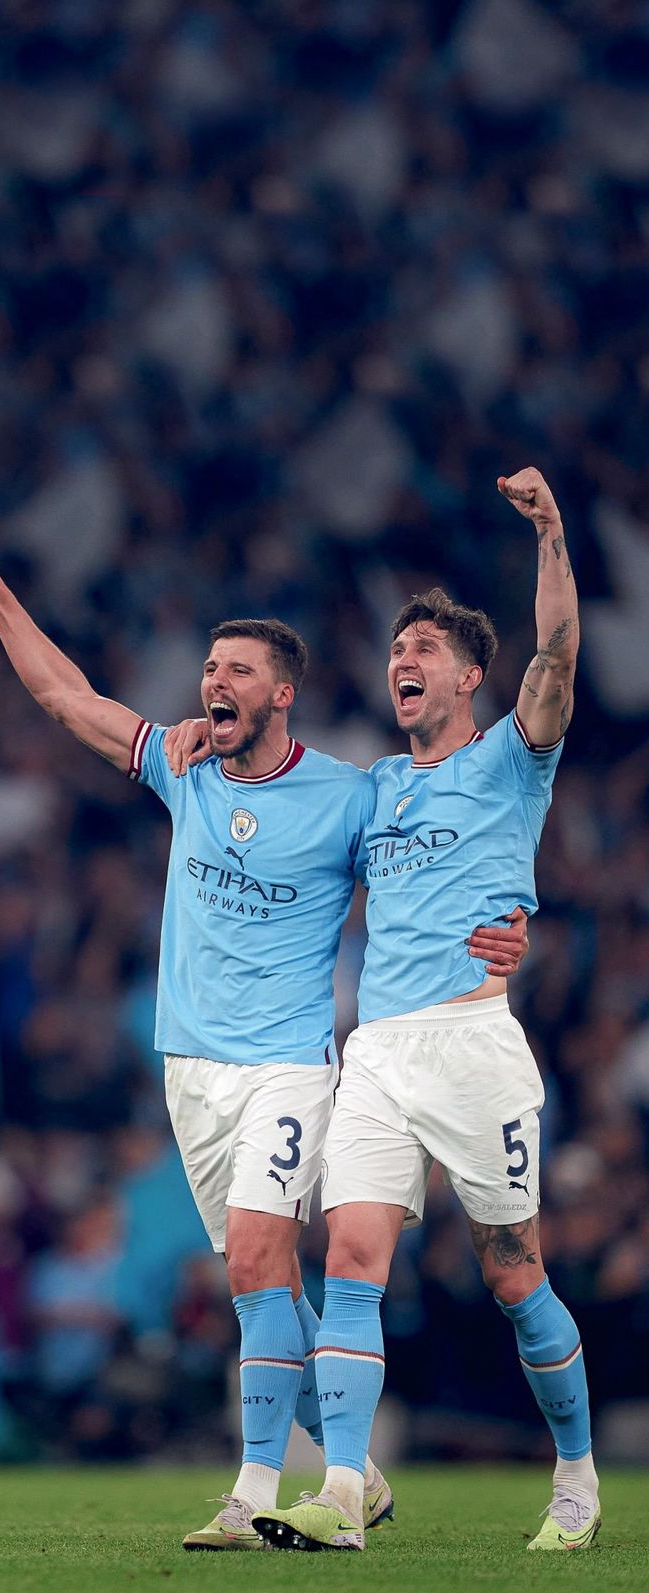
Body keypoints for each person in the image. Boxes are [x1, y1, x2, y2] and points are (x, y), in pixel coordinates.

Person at [0, 531, 526, 1549]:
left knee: (263, 1253)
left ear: (281, 694)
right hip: (191, 1072)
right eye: (210, 667)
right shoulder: (189, 773)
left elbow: (447, 831)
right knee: (262, 1287)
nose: (214, 680)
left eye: (236, 670)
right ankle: (360, 1472)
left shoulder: (349, 794)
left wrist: (505, 923)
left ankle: (253, 1493)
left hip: (288, 1067)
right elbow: (64, 699)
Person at [248, 468, 600, 1554]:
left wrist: (546, 532)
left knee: (511, 1270)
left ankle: (578, 1478)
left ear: (469, 676)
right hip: (380, 1053)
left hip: (474, 1044)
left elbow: (557, 660)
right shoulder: (375, 790)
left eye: (424, 651)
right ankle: (345, 1493)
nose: (402, 661)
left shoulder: (508, 760)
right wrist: (207, 747)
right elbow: (286, 795)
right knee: (351, 1253)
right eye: (396, 650)